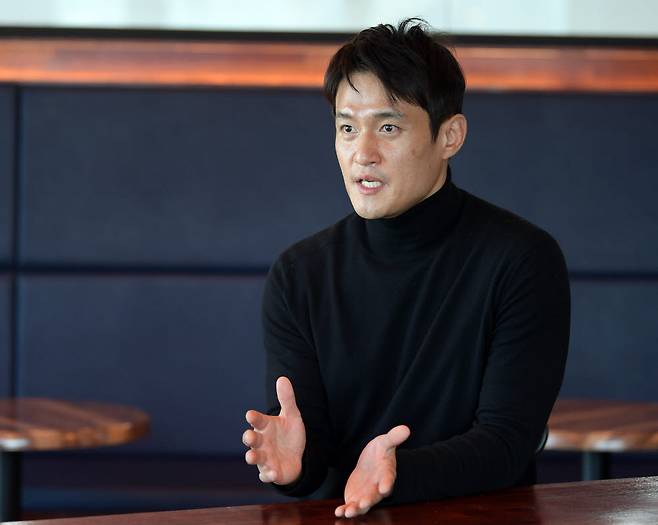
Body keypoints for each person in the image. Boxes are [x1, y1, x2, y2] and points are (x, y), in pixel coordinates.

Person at [242, 18, 570, 518]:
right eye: (347, 128)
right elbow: (310, 451)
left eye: (388, 127)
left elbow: (507, 441)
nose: (363, 153)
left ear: (450, 136)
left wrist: (400, 472)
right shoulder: (299, 275)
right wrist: (295, 465)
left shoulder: (522, 259)